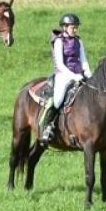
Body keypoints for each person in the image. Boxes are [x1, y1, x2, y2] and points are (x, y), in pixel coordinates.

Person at [38, 13, 91, 144]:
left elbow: (83, 60)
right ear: (65, 27)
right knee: (58, 100)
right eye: (73, 27)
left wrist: (89, 74)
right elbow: (60, 64)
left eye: (76, 27)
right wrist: (74, 76)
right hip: (63, 75)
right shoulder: (59, 41)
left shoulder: (79, 41)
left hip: (79, 75)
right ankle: (47, 127)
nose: (76, 29)